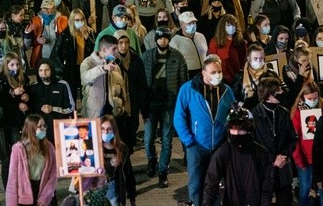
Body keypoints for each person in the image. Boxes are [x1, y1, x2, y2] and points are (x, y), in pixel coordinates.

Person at [174, 54, 237, 206]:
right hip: (196, 145)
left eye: (219, 72)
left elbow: (233, 116)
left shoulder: (227, 91)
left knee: (214, 183)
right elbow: (178, 118)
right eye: (213, 72)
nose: (218, 75)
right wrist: (189, 141)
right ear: (204, 73)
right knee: (196, 184)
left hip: (218, 146)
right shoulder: (188, 89)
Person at [142, 26, 188, 188]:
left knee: (167, 140)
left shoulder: (177, 57)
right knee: (148, 139)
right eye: (160, 37)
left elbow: (183, 81)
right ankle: (151, 159)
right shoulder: (147, 56)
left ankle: (163, 171)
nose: (163, 40)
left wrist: (181, 103)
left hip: (169, 104)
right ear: (156, 39)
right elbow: (141, 81)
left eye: (165, 37)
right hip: (151, 103)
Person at [203, 106, 275, 206]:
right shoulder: (223, 152)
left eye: (241, 130)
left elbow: (267, 186)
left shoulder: (261, 153)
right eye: (233, 130)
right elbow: (211, 182)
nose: (237, 134)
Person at [251, 75, 297, 206]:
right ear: (269, 95)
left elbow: (293, 138)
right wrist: (272, 159)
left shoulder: (283, 112)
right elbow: (253, 145)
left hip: (283, 170)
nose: (282, 93)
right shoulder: (255, 116)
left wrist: (283, 155)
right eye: (279, 92)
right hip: (264, 171)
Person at [0, 52, 30, 187]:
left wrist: (26, 98)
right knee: (6, 157)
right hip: (1, 122)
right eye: (12, 65)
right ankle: (8, 188)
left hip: (15, 123)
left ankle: (17, 184)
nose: (15, 68)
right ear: (6, 65)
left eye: (17, 64)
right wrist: (13, 95)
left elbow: (28, 95)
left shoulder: (23, 78)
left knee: (17, 155)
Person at [81, 114, 137, 206]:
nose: (105, 132)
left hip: (113, 190)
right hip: (95, 189)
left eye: (109, 129)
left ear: (114, 130)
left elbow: (128, 173)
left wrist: (132, 198)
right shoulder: (93, 148)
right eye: (102, 129)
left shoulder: (122, 149)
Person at [5, 114, 58, 206]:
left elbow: (53, 175)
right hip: (24, 197)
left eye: (44, 126)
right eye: (40, 126)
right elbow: (12, 180)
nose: (44, 129)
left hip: (41, 192)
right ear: (31, 129)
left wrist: (45, 196)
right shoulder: (18, 149)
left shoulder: (49, 147)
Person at [291, 80, 323, 206]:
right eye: (309, 98)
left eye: (315, 98)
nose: (313, 101)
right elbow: (294, 138)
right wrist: (299, 160)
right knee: (305, 189)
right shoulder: (297, 113)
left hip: (320, 158)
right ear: (303, 97)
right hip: (304, 158)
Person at [79, 34, 129, 119]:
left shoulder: (114, 65)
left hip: (113, 111)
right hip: (94, 113)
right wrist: (102, 68)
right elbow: (85, 78)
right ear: (104, 49)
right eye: (114, 49)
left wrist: (122, 107)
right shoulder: (88, 62)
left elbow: (122, 88)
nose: (116, 52)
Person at [27, 59, 75, 142]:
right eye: (41, 70)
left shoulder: (62, 85)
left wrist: (53, 109)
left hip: (58, 127)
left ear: (52, 70)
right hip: (40, 130)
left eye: (47, 70)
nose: (44, 73)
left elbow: (71, 108)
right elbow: (30, 110)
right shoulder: (34, 87)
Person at [50, 9, 95, 94]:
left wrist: (87, 38)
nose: (80, 22)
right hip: (71, 68)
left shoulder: (89, 32)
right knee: (71, 92)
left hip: (85, 67)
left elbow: (94, 51)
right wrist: (63, 67)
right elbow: (57, 53)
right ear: (72, 21)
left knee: (86, 92)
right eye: (77, 20)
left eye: (82, 19)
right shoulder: (65, 35)